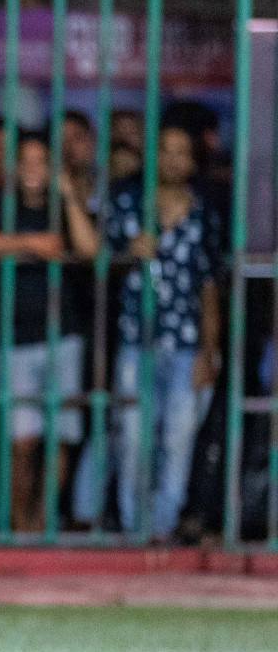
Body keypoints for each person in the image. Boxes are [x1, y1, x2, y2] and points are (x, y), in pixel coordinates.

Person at [0, 131, 99, 532]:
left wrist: (69, 195)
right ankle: (18, 525)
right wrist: (32, 243)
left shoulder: (63, 204)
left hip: (64, 335)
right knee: (20, 443)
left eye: (41, 160)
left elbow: (90, 249)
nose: (32, 167)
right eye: (24, 159)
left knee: (59, 438)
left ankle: (43, 522)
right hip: (13, 338)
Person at [104, 124, 221, 541]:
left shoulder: (203, 213)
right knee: (133, 436)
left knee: (177, 440)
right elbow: (94, 266)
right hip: (136, 340)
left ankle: (162, 526)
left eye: (180, 152)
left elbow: (209, 287)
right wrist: (124, 254)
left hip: (187, 345)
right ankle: (135, 526)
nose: (171, 159)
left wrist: (209, 352)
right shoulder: (126, 203)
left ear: (192, 161)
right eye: (164, 150)